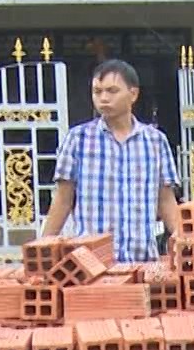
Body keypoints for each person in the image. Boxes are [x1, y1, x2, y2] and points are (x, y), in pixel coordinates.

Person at [40, 60, 181, 263]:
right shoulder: (78, 139)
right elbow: (63, 200)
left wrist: (182, 241)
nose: (103, 98)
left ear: (133, 94)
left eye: (112, 91)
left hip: (141, 262)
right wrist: (43, 249)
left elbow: (166, 199)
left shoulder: (156, 141)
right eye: (97, 92)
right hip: (90, 264)